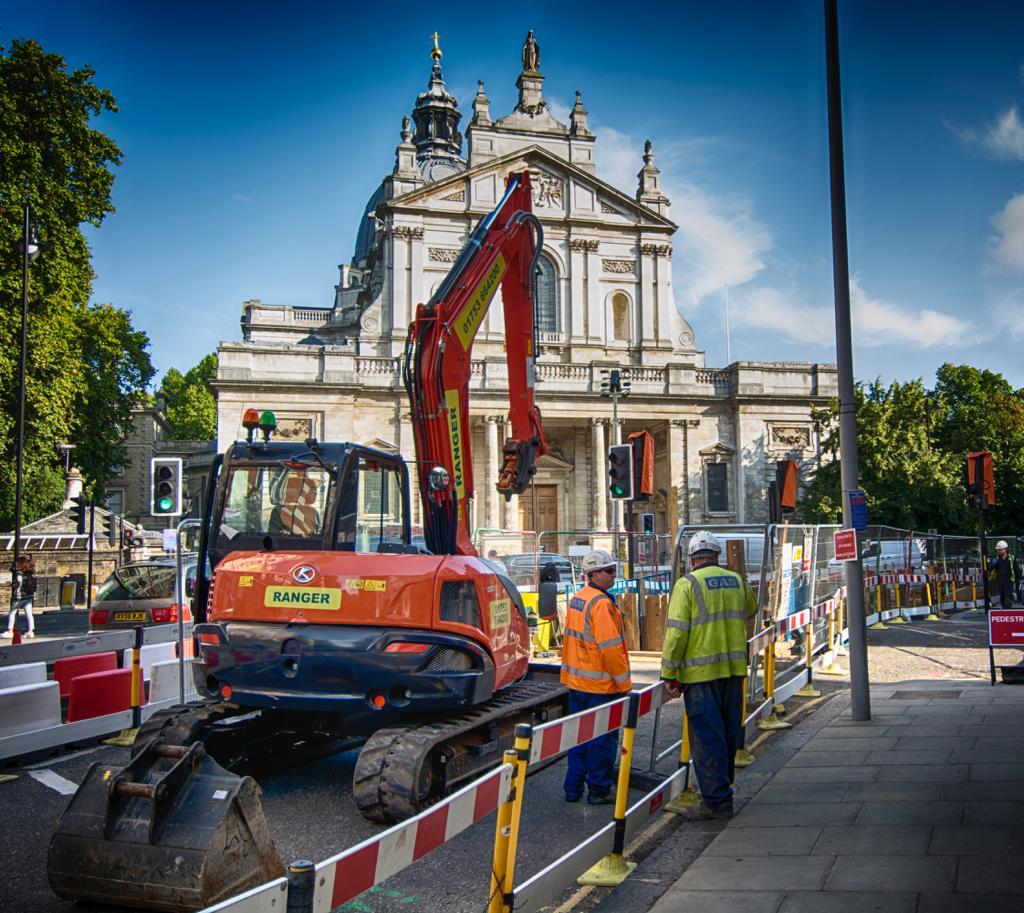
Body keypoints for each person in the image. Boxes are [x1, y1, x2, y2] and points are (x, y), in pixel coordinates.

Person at [661, 530, 757, 819]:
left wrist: (668, 672)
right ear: (717, 555)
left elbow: (676, 633)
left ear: (692, 558)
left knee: (707, 739)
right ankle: (723, 793)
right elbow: (751, 609)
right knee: (728, 735)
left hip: (700, 676)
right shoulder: (737, 580)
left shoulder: (687, 584)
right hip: (733, 671)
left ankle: (717, 802)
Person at [561, 549, 631, 804]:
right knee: (601, 740)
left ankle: (573, 788)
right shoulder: (601, 604)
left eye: (614, 569)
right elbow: (610, 648)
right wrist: (624, 684)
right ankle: (599, 790)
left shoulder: (579, 599)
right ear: (593, 574)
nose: (614, 575)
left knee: (579, 738)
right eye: (609, 571)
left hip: (578, 684)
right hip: (600, 687)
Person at [4, 555, 37, 639]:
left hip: (19, 596)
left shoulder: (19, 573)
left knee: (12, 613)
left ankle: (10, 631)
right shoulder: (30, 573)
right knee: (29, 614)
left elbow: (19, 581)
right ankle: (31, 631)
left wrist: (12, 584)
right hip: (29, 596)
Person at [992, 540, 1014, 610]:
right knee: (1002, 597)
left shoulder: (1011, 558)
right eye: (997, 550)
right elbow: (990, 568)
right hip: (1000, 581)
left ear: (1005, 549)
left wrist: (1017, 581)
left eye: (999, 549)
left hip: (1009, 581)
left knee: (1007, 597)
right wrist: (991, 563)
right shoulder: (997, 559)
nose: (998, 551)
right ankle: (1004, 611)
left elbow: (1016, 571)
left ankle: (1007, 611)